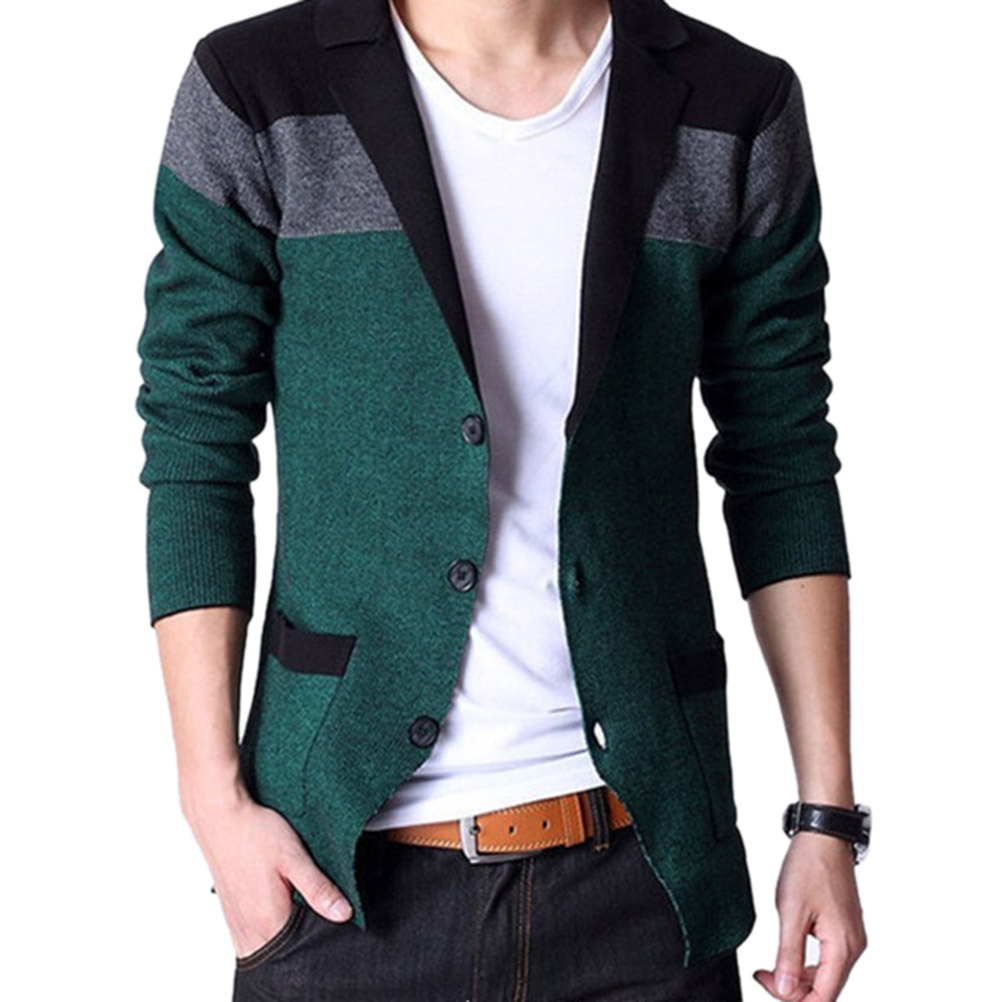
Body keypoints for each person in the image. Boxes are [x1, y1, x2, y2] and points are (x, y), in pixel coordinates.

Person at [135, 0, 869, 999]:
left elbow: (782, 454)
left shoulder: (734, 104)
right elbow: (195, 440)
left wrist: (826, 817)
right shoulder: (259, 89)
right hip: (341, 882)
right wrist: (211, 800)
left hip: (644, 884)